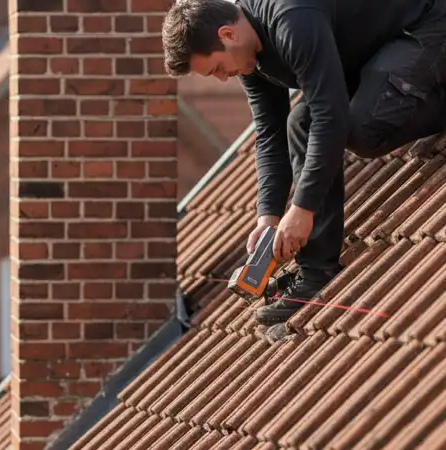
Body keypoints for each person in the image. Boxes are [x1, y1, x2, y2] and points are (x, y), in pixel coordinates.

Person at [162, 0, 446, 326]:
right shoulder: (249, 57)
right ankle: (317, 269)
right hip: (379, 53)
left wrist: (303, 208)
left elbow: (330, 114)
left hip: (426, 26)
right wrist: (267, 216)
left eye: (216, 69)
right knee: (299, 124)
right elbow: (270, 134)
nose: (224, 78)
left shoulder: (291, 19)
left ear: (227, 34)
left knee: (362, 130)